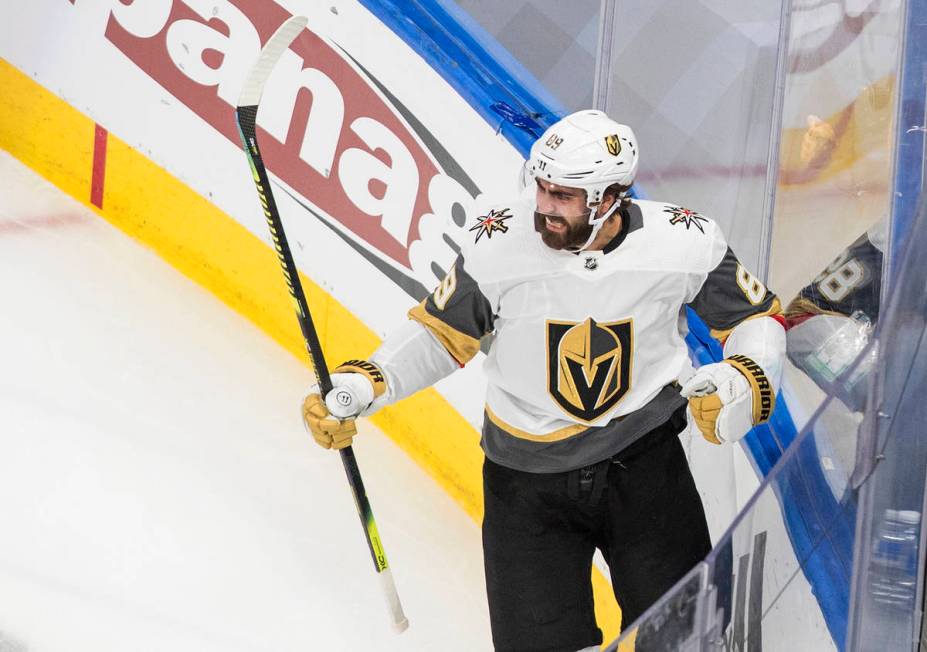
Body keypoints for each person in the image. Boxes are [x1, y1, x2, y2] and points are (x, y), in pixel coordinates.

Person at [302, 110, 787, 652]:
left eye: (563, 195)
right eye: (542, 187)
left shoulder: (684, 241)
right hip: (525, 487)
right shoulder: (499, 243)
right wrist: (365, 383)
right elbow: (442, 334)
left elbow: (756, 318)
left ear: (608, 199)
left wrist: (746, 377)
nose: (544, 206)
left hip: (645, 469)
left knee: (686, 642)